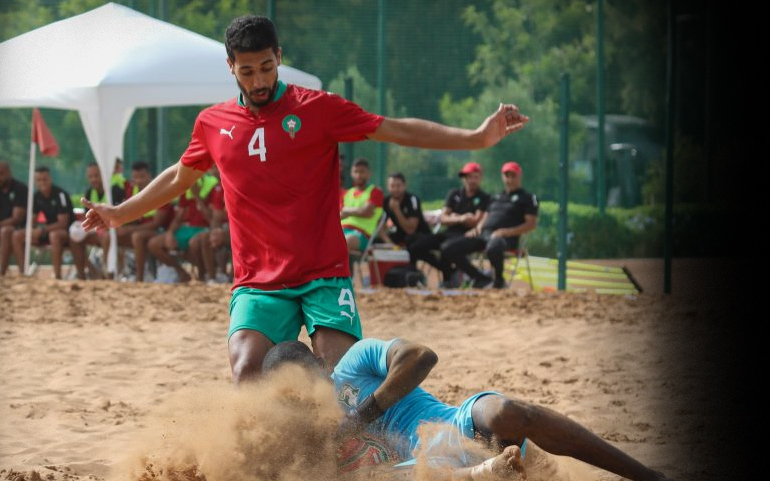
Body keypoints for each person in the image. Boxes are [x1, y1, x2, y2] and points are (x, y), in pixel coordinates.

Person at [81, 15, 529, 384]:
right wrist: (120, 212)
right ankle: (265, 465)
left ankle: (343, 457)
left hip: (323, 275)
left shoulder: (318, 108)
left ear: (279, 57)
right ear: (230, 66)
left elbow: (396, 128)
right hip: (258, 280)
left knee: (343, 379)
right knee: (246, 370)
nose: (259, 79)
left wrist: (474, 138)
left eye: (266, 67)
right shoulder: (212, 123)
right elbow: (180, 175)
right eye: (247, 70)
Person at [261, 339, 690, 481]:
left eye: (308, 376)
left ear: (320, 363)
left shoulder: (353, 364)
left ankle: (653, 479)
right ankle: (488, 471)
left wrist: (360, 417)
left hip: (457, 424)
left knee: (512, 413)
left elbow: (421, 356)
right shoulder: (303, 433)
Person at [441, 161, 538, 289]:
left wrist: (505, 232)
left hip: (504, 239)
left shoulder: (528, 198)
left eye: (513, 175)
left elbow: (531, 224)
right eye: (507, 175)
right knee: (448, 247)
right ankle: (481, 278)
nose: (510, 179)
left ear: (520, 176)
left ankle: (498, 280)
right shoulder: (495, 197)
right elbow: (486, 216)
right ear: (503, 177)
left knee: (494, 246)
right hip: (484, 235)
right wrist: (477, 228)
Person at [409, 162, 492, 288]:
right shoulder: (454, 194)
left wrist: (453, 216)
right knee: (416, 245)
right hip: (449, 232)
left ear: (480, 178)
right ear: (464, 178)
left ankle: (479, 278)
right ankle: (450, 271)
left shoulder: (484, 197)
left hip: (467, 235)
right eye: (470, 177)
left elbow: (474, 221)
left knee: (446, 247)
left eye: (476, 177)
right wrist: (461, 218)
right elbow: (442, 218)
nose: (472, 180)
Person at [10, 166, 85, 280]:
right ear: (35, 181)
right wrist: (31, 230)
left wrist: (42, 230)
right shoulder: (36, 196)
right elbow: (32, 219)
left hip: (67, 232)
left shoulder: (60, 195)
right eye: (39, 180)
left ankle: (57, 275)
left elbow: (63, 223)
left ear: (50, 179)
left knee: (54, 235)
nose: (42, 183)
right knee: (17, 235)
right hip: (47, 231)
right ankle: (23, 273)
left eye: (44, 179)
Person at [146, 177, 214, 283]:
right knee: (154, 244)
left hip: (204, 229)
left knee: (194, 243)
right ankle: (181, 272)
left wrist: (197, 196)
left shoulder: (212, 187)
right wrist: (170, 233)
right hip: (186, 228)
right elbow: (178, 217)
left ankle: (202, 276)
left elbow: (211, 218)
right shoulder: (187, 188)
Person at [340, 157, 384, 262]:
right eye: (356, 171)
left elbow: (367, 212)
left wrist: (347, 211)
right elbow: (339, 215)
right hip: (341, 230)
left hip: (362, 235)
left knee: (345, 241)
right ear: (351, 173)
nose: (358, 175)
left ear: (368, 173)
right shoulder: (346, 193)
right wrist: (357, 211)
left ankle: (334, 275)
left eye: (362, 172)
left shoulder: (375, 192)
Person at [380, 172, 431, 251]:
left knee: (410, 240)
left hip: (419, 235)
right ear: (388, 187)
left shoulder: (412, 199)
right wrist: (390, 245)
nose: (395, 189)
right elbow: (380, 228)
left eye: (398, 186)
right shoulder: (386, 201)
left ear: (404, 185)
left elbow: (410, 230)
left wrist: (397, 210)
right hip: (400, 236)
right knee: (377, 243)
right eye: (392, 186)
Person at [0, 161, 29, 276]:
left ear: (9, 173)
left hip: (18, 227)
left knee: (6, 231)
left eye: (1, 173)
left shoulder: (20, 188)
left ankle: (2, 272)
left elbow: (17, 218)